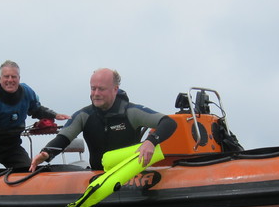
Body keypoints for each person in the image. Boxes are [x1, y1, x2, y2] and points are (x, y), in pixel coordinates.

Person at [29, 68, 177, 172]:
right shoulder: (84, 115)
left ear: (115, 89)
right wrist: (46, 153)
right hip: (98, 177)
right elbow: (63, 138)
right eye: (93, 88)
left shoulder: (131, 112)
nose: (96, 94)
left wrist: (151, 141)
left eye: (101, 89)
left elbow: (168, 122)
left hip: (130, 177)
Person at [0, 61, 69, 174]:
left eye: (14, 77)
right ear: (0, 78)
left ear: (19, 78)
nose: (10, 80)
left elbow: (36, 109)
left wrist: (54, 115)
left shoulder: (27, 92)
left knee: (29, 173)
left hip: (12, 147)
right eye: (6, 76)